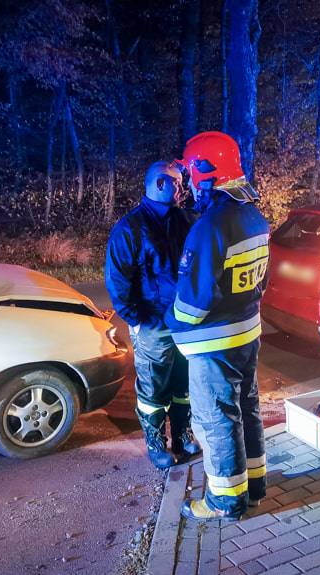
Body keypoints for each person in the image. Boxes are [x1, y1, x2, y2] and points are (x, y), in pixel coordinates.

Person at [166, 131, 269, 522]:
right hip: (248, 334)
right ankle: (254, 487)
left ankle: (225, 501)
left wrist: (168, 322)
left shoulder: (211, 226)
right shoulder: (252, 214)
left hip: (214, 345)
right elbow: (261, 281)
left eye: (190, 173)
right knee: (247, 410)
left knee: (216, 420)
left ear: (203, 171)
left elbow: (192, 305)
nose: (188, 183)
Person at [105, 161, 202, 469]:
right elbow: (118, 281)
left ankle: (183, 435)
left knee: (182, 385)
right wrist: (136, 320)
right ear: (160, 184)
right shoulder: (130, 228)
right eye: (176, 183)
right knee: (153, 389)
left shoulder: (185, 220)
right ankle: (156, 442)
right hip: (154, 325)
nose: (182, 189)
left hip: (183, 323)